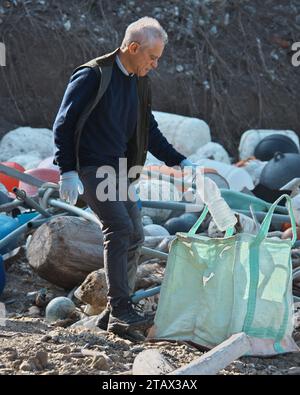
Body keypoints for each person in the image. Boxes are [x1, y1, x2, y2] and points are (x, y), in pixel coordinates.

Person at [53, 16, 194, 335]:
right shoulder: (93, 75)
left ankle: (115, 312)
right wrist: (67, 170)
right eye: (152, 57)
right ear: (132, 47)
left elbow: (148, 128)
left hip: (120, 170)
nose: (155, 65)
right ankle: (121, 308)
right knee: (118, 228)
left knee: (136, 235)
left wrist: (178, 160)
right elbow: (64, 123)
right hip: (90, 168)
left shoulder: (138, 80)